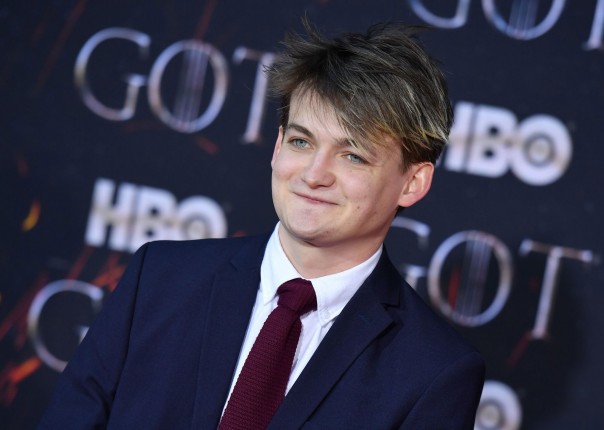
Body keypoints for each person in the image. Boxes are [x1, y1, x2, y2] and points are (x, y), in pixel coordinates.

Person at [39, 20, 485, 429]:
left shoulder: (435, 371)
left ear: (412, 182)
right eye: (301, 141)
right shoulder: (158, 280)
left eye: (352, 155)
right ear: (277, 146)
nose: (314, 174)